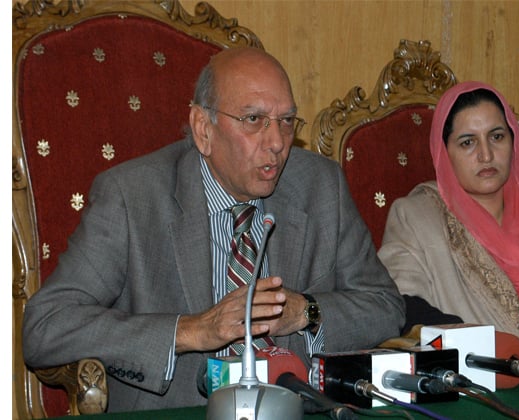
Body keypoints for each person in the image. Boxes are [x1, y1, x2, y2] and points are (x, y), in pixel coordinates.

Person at [22, 47, 405, 412]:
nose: (276, 143)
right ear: (203, 129)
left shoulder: (322, 187)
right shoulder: (131, 196)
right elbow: (46, 326)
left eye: (286, 121)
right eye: (254, 120)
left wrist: (307, 311)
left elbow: (386, 307)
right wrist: (192, 331)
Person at [377, 81, 519, 370]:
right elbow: (401, 308)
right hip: (474, 380)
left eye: (496, 136)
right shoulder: (417, 216)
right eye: (467, 142)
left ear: (514, 143)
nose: (485, 155)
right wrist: (492, 354)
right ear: (444, 152)